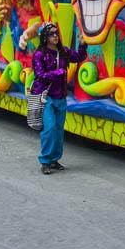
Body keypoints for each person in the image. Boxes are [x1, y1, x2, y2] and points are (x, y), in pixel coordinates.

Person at [31, 24, 87, 175]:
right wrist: (59, 73)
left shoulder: (64, 51)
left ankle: (54, 160)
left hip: (60, 97)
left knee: (58, 130)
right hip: (45, 96)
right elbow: (40, 76)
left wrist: (82, 44)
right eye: (51, 34)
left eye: (56, 33)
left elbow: (78, 57)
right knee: (49, 129)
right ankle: (45, 161)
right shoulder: (39, 54)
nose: (55, 36)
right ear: (45, 37)